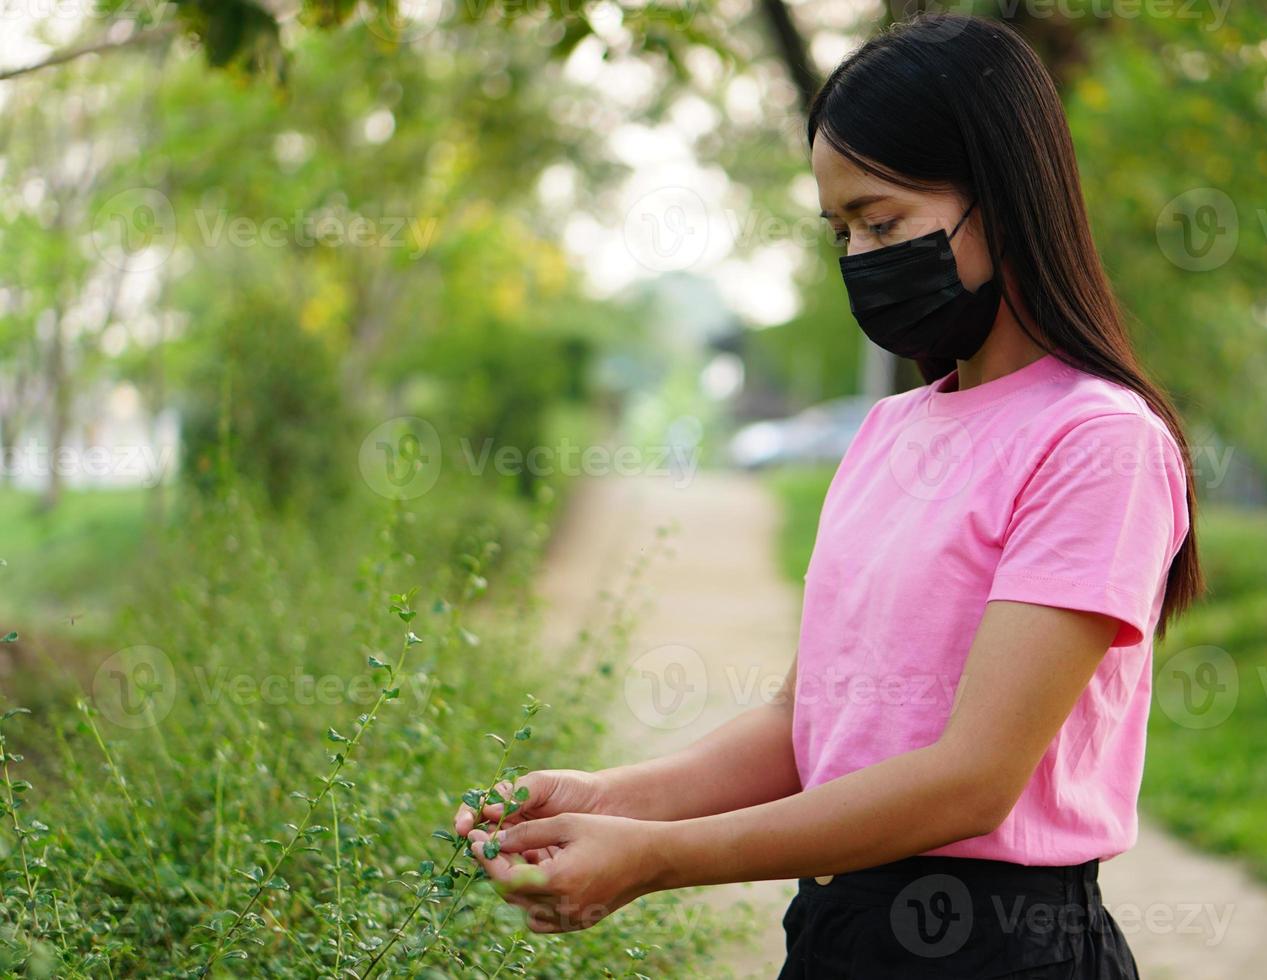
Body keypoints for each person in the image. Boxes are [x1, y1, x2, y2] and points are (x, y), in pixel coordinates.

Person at [455, 13, 1203, 977]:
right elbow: (804, 728)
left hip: (1000, 950)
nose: (858, 257)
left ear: (1007, 200)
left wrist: (657, 862)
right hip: (838, 931)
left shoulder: (1098, 442)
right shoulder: (890, 432)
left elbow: (972, 783)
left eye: (883, 221)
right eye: (840, 228)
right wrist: (610, 800)